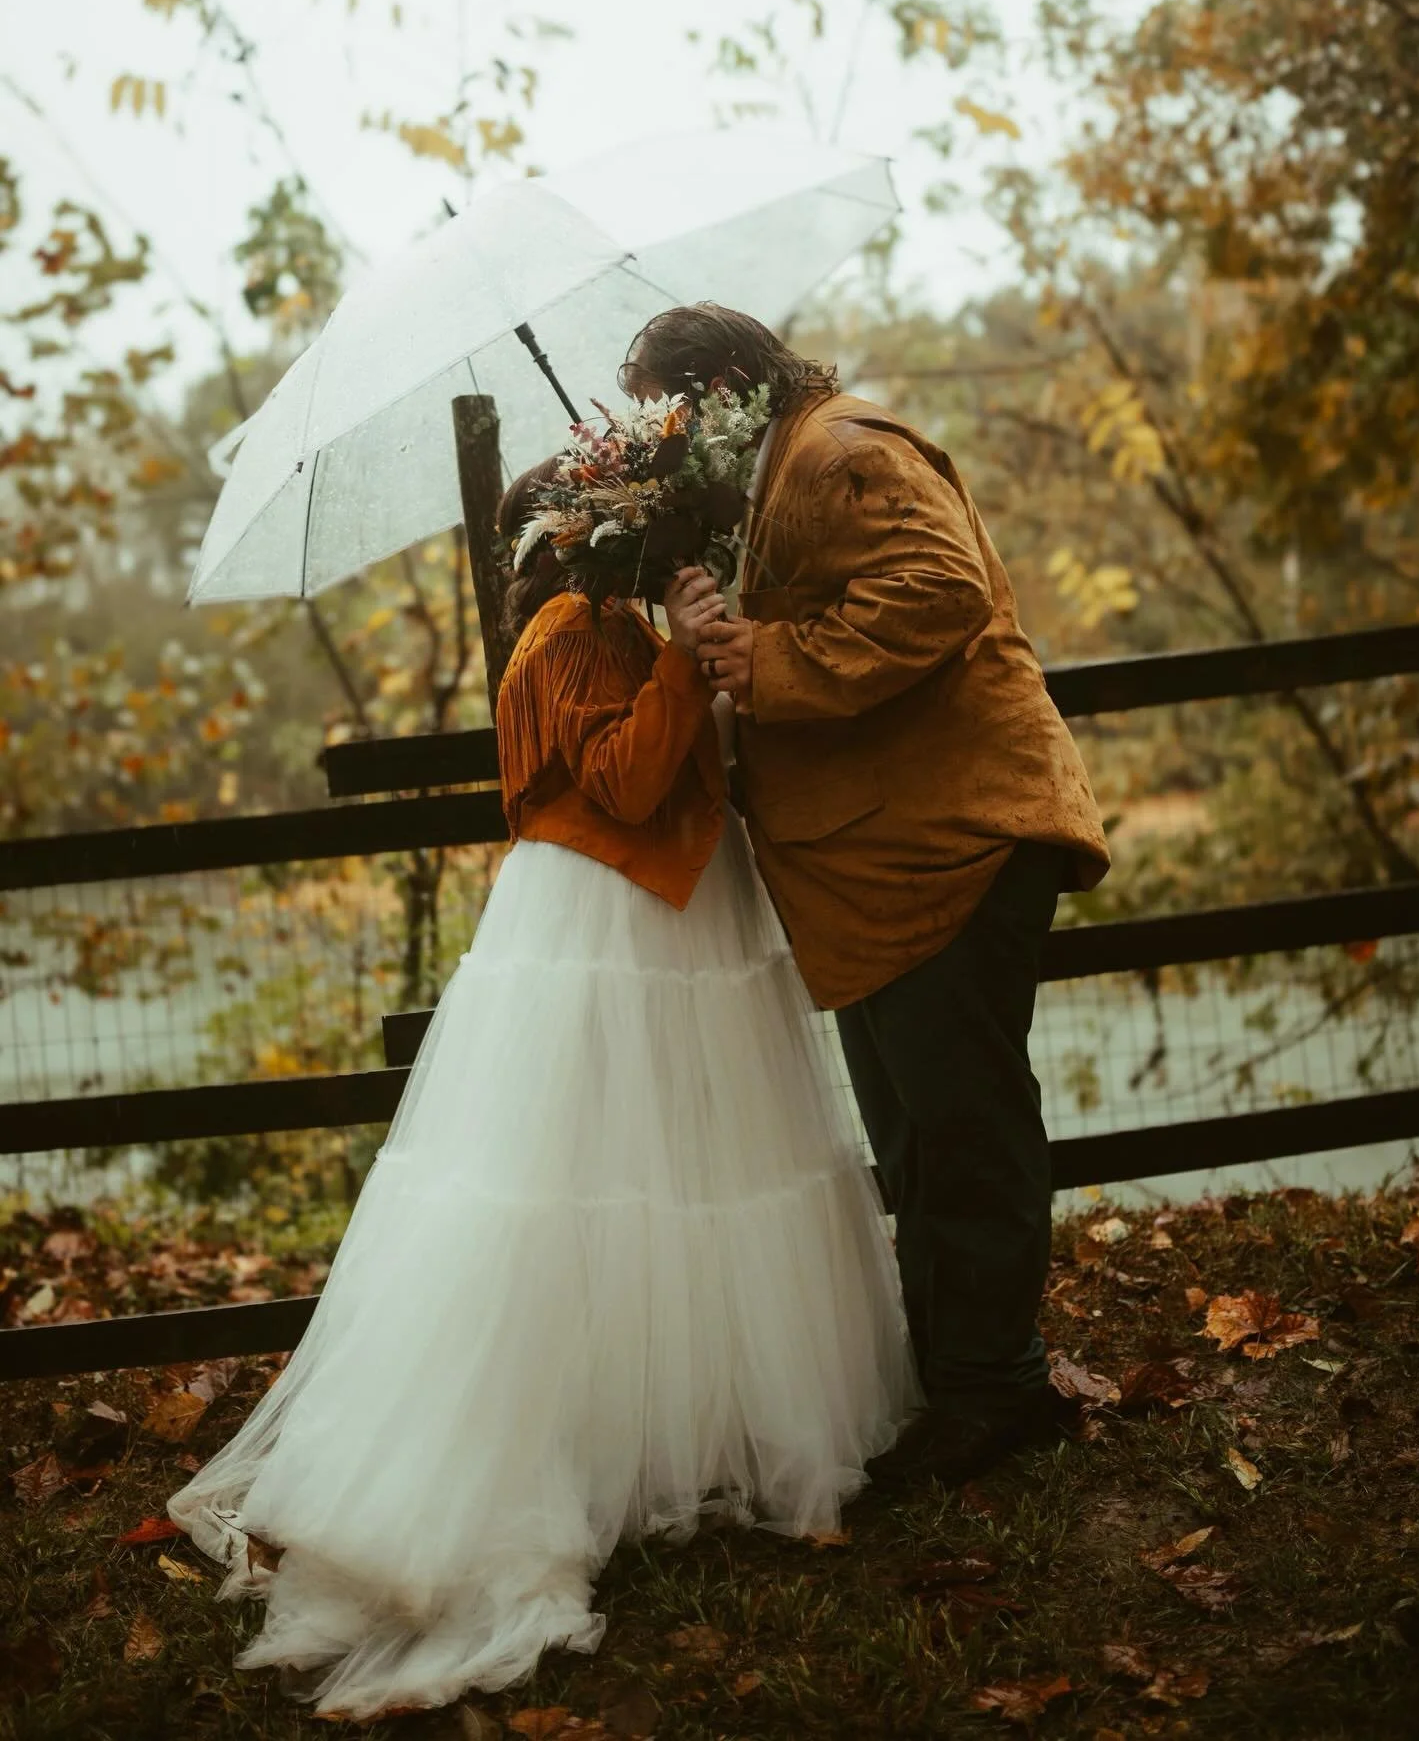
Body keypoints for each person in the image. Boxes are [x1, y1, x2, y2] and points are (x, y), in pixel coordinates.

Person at [167, 460, 916, 1721]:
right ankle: (548, 1455)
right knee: (581, 1189)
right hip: (601, 927)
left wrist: (703, 642)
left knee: (700, 1175)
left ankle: (696, 1433)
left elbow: (684, 755)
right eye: (624, 533)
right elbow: (622, 781)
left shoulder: (618, 624)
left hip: (687, 910)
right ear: (578, 547)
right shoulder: (562, 638)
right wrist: (684, 660)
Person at [620, 303, 1112, 1489]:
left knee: (962, 1126)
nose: (671, 441)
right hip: (887, 861)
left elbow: (939, 589)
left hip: (950, 844)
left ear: (733, 383)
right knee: (919, 1135)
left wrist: (768, 661)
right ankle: (966, 1379)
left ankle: (997, 1391)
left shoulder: (843, 453)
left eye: (675, 414)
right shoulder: (785, 470)